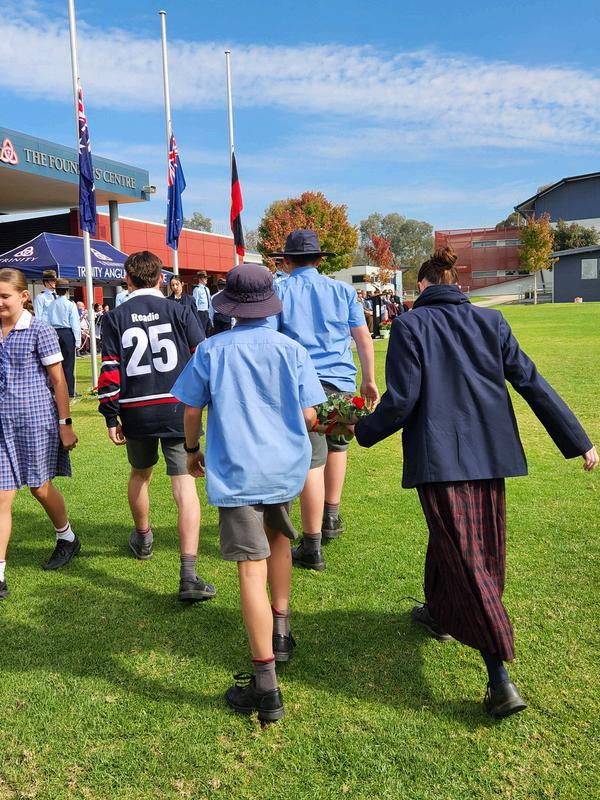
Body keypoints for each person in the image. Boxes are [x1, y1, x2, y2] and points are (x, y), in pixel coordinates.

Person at [354, 246, 599, 719]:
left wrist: (361, 431)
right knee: (456, 541)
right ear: (455, 283)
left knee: (471, 558)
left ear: (423, 285)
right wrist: (580, 440)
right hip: (488, 458)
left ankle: (499, 678)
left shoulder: (409, 325)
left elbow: (401, 401)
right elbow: (532, 382)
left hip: (442, 461)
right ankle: (439, 613)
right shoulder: (491, 322)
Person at [172, 263, 326, 722]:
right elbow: (311, 415)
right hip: (283, 468)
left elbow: (191, 410)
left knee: (249, 570)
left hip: (237, 471)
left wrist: (193, 451)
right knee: (279, 543)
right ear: (270, 304)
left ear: (230, 307)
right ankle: (281, 630)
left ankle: (266, 684)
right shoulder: (292, 350)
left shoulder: (211, 350)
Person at [97, 250, 215, 602]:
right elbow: (202, 357)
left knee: (140, 474)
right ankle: (188, 574)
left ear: (127, 279)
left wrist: (110, 414)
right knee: (185, 484)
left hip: (137, 411)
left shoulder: (115, 317)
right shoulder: (180, 310)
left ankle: (144, 537)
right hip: (178, 409)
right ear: (161, 278)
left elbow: (110, 369)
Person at [268, 230, 379, 571]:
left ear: (287, 261)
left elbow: (271, 340)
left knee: (312, 461)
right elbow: (363, 338)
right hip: (341, 381)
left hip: (302, 386)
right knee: (337, 448)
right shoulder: (343, 290)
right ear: (319, 259)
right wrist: (369, 379)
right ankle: (331, 514)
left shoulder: (279, 289)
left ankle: (312, 544)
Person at [0, 268, 80, 599]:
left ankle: (67, 537)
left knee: (40, 488)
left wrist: (65, 424)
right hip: (2, 425)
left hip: (36, 422)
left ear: (23, 296)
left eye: (4, 296)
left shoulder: (39, 330)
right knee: (2, 496)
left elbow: (58, 380)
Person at [46, 279, 81, 398]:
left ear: (56, 291)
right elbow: (75, 323)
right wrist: (77, 341)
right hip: (67, 333)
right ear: (67, 291)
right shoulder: (70, 304)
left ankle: (56, 389)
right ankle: (70, 390)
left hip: (54, 333)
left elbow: (48, 321)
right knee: (69, 363)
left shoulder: (51, 304)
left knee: (55, 363)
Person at [192, 270, 213, 337]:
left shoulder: (207, 289)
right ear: (200, 279)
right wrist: (196, 316)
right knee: (202, 332)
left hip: (207, 312)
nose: (206, 279)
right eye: (205, 278)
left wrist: (210, 315)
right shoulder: (197, 289)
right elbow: (195, 304)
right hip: (201, 313)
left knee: (208, 331)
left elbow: (209, 302)